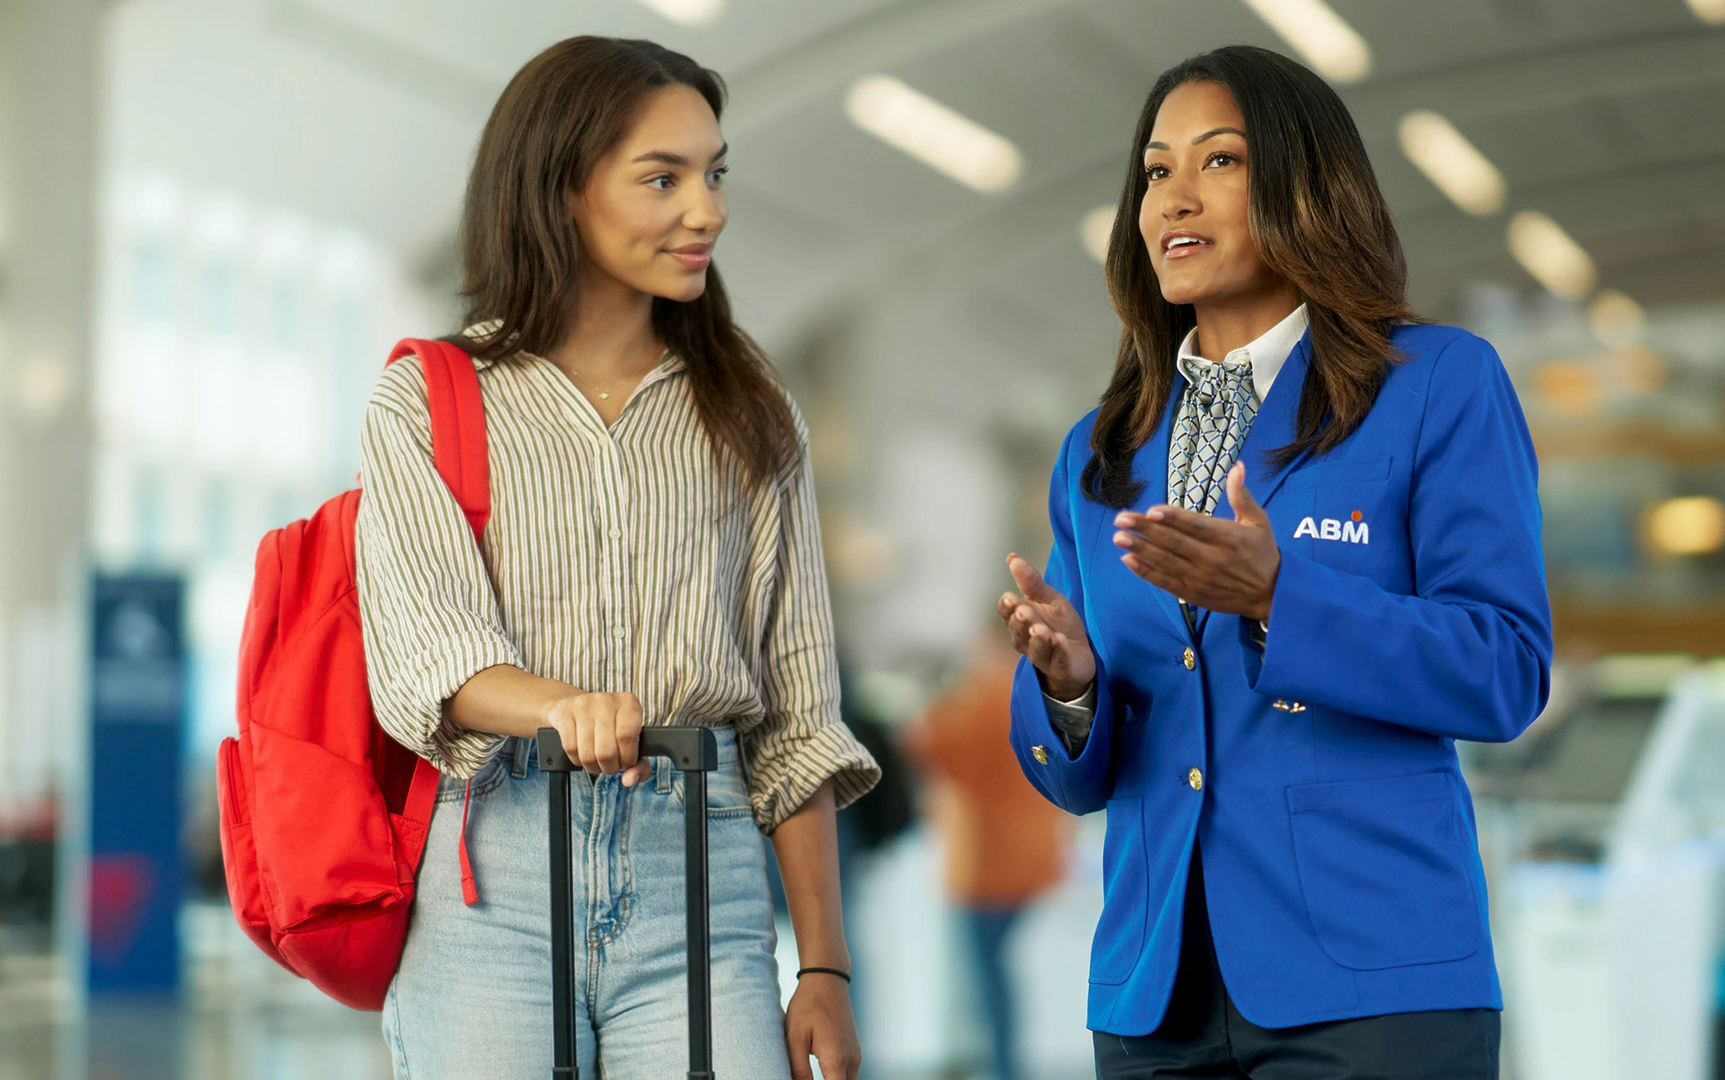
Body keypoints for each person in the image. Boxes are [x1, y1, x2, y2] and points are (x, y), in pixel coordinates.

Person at [995, 46, 1551, 1080]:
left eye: (1219, 161)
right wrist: (1067, 685)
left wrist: (1279, 599)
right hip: (1154, 991)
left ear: (1305, 185)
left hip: (1373, 980)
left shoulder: (1435, 385)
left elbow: (1506, 668)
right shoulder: (1102, 448)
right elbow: (1083, 776)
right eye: (1156, 171)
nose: (1174, 197)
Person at [354, 37, 878, 1080]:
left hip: (705, 870)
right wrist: (559, 704)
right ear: (559, 191)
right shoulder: (426, 399)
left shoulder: (752, 411)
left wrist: (824, 966)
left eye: (714, 173)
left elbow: (797, 717)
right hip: (489, 876)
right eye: (663, 178)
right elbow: (431, 648)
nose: (708, 210)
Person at [905, 635, 1074, 1080]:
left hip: (989, 864)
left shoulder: (983, 692)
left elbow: (931, 743)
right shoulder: (1026, 688)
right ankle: (996, 1064)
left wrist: (933, 699)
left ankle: (999, 1068)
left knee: (986, 976)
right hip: (1031, 852)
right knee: (993, 972)